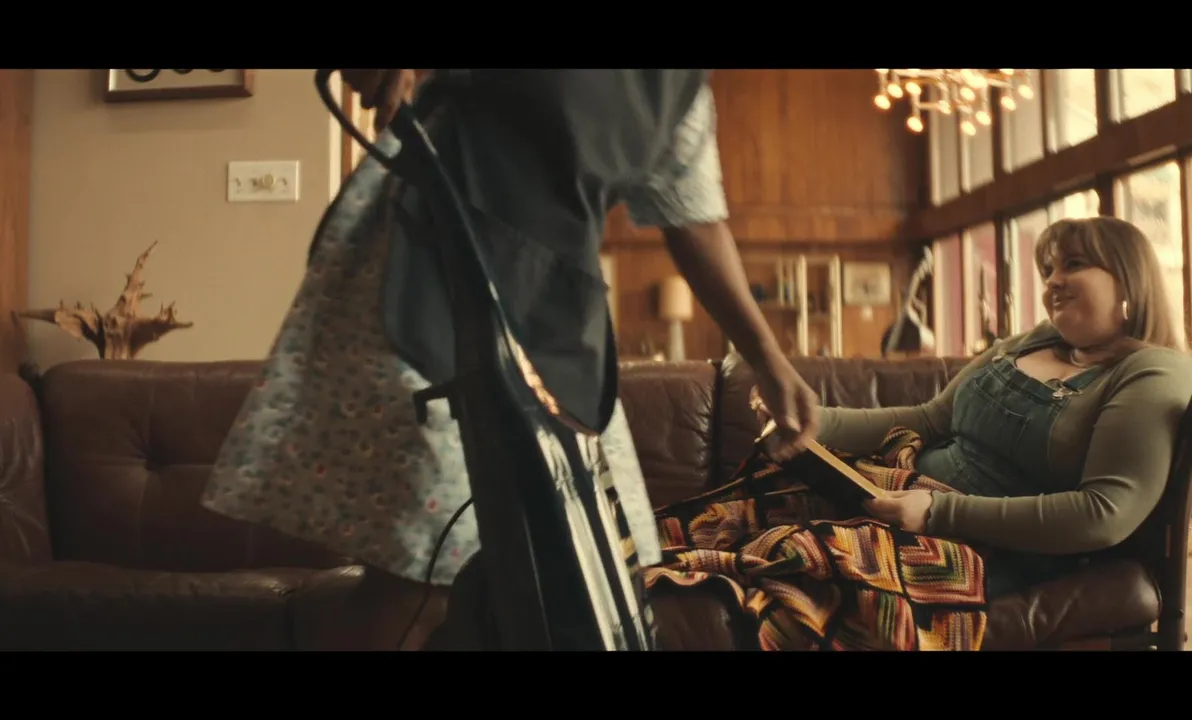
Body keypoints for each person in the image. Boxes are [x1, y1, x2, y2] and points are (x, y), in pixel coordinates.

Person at [198, 68, 820, 611]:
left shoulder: (682, 91)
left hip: (555, 311)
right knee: (424, 584)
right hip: (429, 271)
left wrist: (770, 362)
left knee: (584, 578)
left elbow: (694, 219)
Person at [786, 215, 1192, 597]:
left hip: (987, 551)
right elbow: (928, 419)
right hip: (902, 497)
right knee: (768, 517)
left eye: (1074, 264)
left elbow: (1102, 513)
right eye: (1048, 270)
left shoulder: (1154, 372)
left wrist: (937, 511)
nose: (1052, 281)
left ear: (1130, 280)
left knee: (797, 569)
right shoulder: (1036, 340)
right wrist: (808, 421)